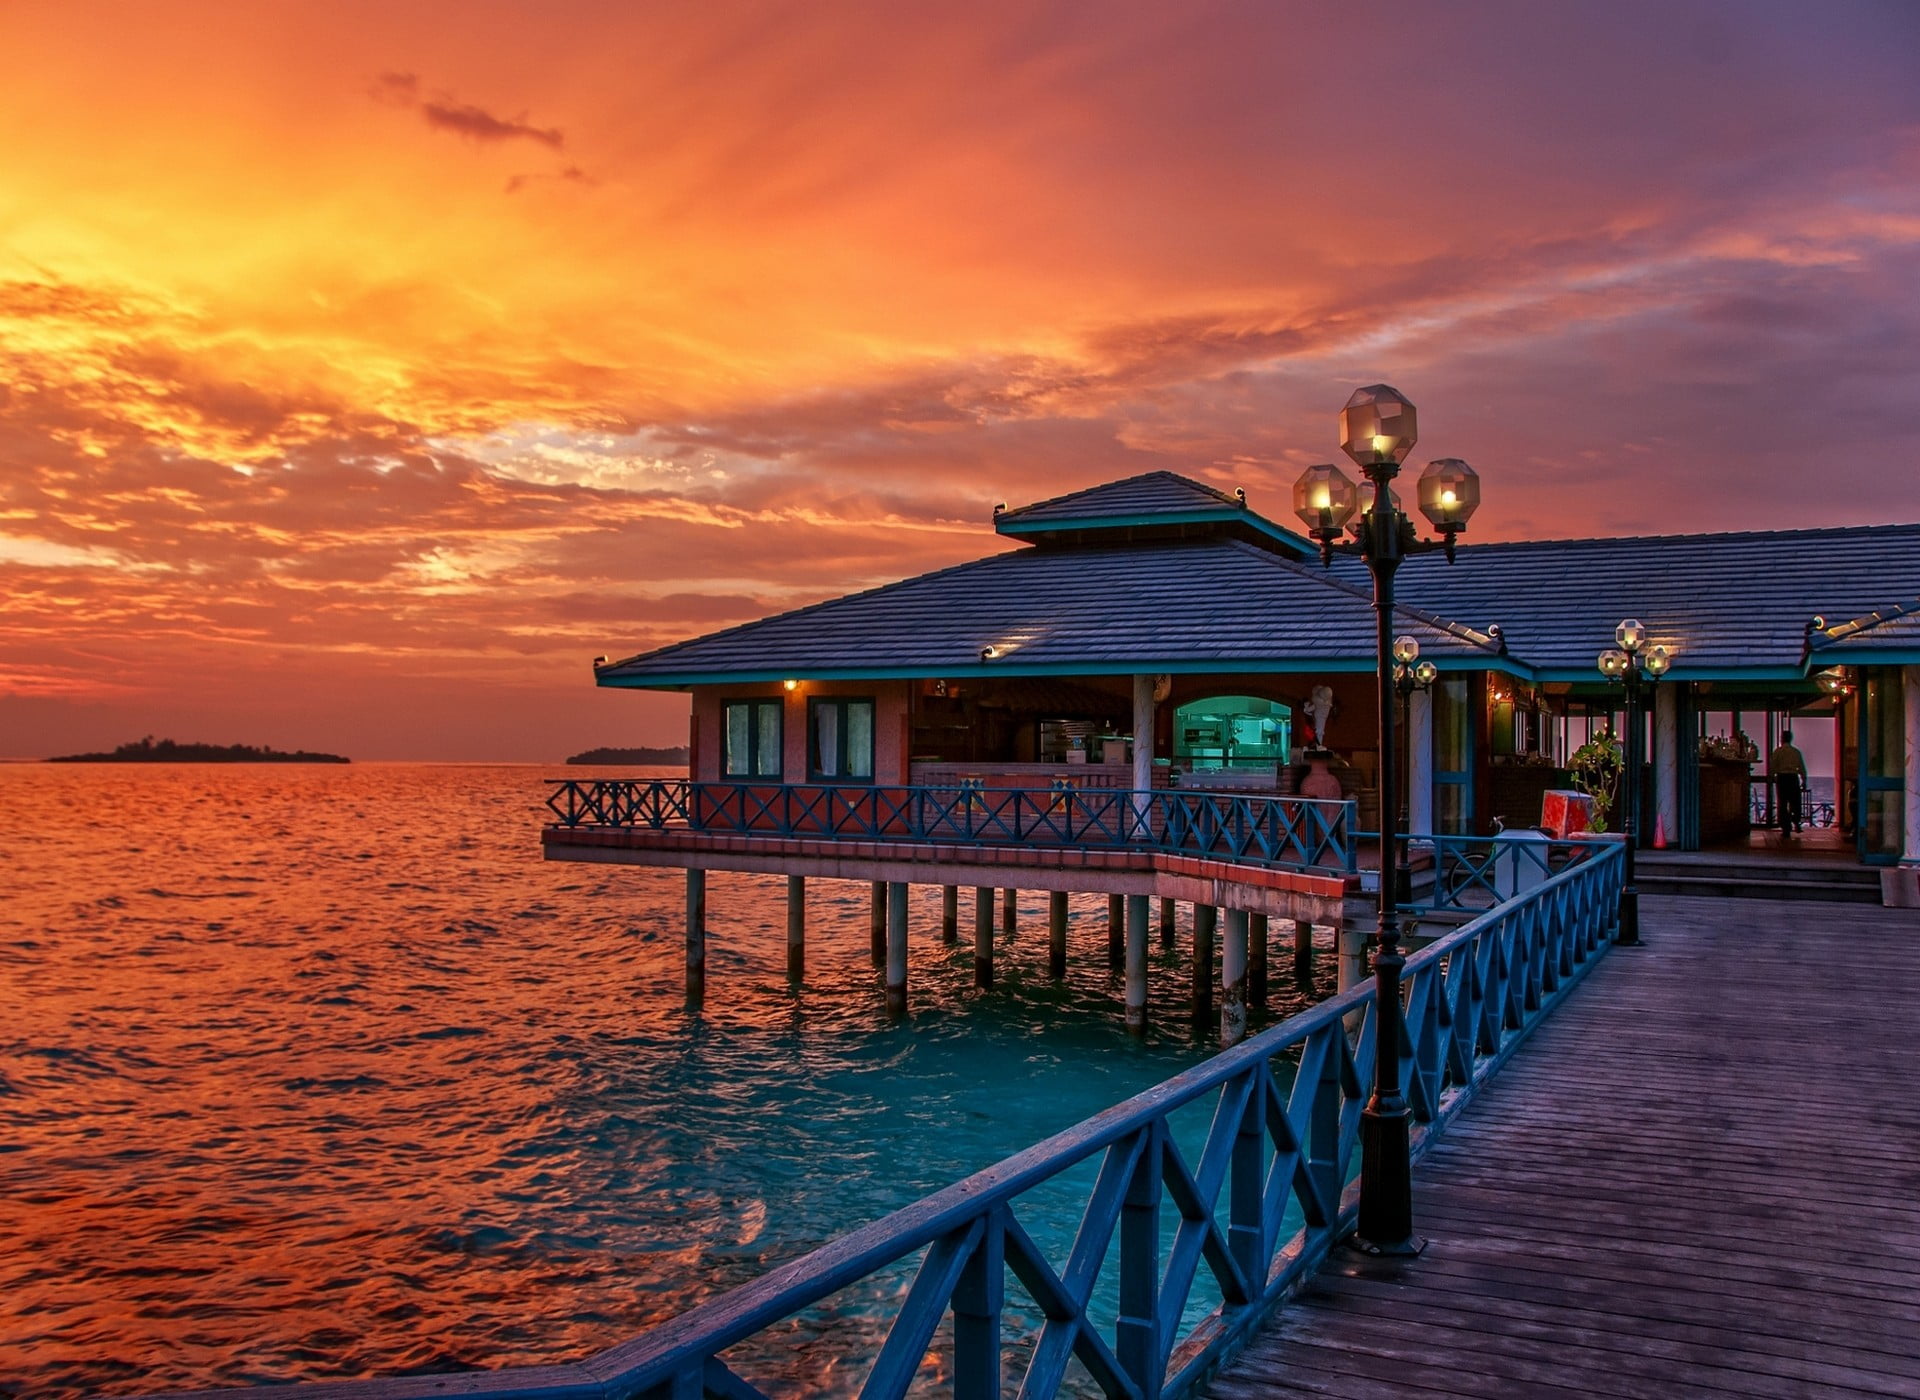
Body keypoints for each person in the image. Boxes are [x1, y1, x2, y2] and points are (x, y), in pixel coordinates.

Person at [1769, 729, 1808, 835]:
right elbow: (1801, 767)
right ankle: (1796, 822)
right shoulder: (1796, 752)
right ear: (1791, 739)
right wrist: (1804, 780)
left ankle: (1786, 827)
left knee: (1782, 804)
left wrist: (1772, 777)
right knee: (1795, 802)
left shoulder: (1778, 751)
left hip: (1782, 778)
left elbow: (1773, 767)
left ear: (1782, 739)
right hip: (1793, 778)